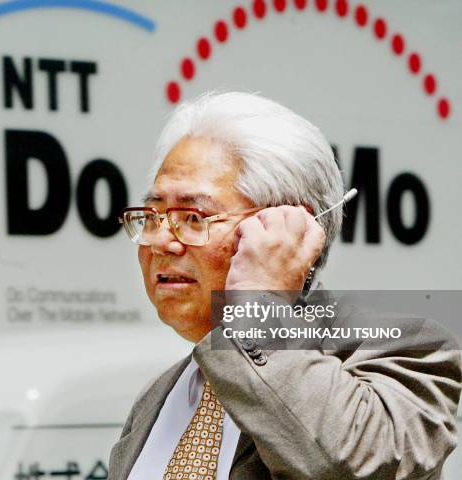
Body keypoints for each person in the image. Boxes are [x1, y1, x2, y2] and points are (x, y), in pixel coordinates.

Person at [108, 91, 461, 479]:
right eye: (153, 216)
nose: (161, 242)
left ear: (287, 226)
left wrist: (259, 305)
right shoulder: (159, 397)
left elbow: (346, 466)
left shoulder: (410, 347)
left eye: (194, 217)